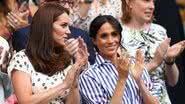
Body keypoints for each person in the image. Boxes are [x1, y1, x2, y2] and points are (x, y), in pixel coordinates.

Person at [8, 2, 88, 103]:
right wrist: (63, 85)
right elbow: (25, 101)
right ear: (47, 27)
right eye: (63, 26)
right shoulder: (22, 59)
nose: (68, 32)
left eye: (68, 26)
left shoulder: (65, 59)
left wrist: (75, 79)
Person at [79, 15, 158, 104]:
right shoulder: (89, 77)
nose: (110, 40)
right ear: (94, 40)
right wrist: (122, 79)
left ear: (120, 37)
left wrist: (139, 80)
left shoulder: (135, 65)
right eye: (104, 36)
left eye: (114, 34)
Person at [120, 0, 185, 103]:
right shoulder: (118, 35)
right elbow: (122, 82)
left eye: (153, 2)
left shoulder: (159, 31)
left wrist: (169, 60)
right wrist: (155, 62)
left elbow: (173, 82)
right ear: (129, 2)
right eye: (146, 1)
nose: (152, 6)